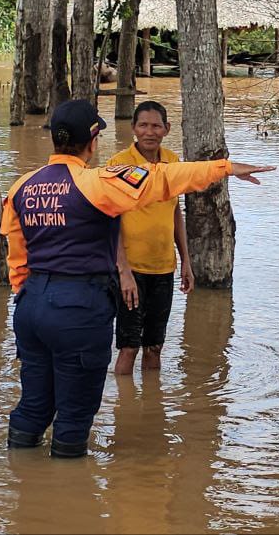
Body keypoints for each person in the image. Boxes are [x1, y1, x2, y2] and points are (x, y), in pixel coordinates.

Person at [0, 98, 273, 458]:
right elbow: (163, 178)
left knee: (33, 403)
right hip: (77, 308)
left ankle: (22, 483)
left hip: (30, 306)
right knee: (75, 414)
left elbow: (16, 256)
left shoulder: (22, 186)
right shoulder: (98, 183)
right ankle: (68, 493)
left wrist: (28, 295)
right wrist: (224, 167)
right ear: (92, 142)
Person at [108, 101, 188, 376]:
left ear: (166, 129)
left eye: (156, 126)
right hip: (132, 269)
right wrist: (124, 271)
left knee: (154, 346)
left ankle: (153, 410)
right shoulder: (119, 164)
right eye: (143, 125)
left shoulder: (173, 163)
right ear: (133, 129)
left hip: (164, 267)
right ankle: (125, 409)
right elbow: (111, 219)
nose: (149, 132)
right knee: (128, 346)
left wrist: (186, 261)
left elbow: (175, 211)